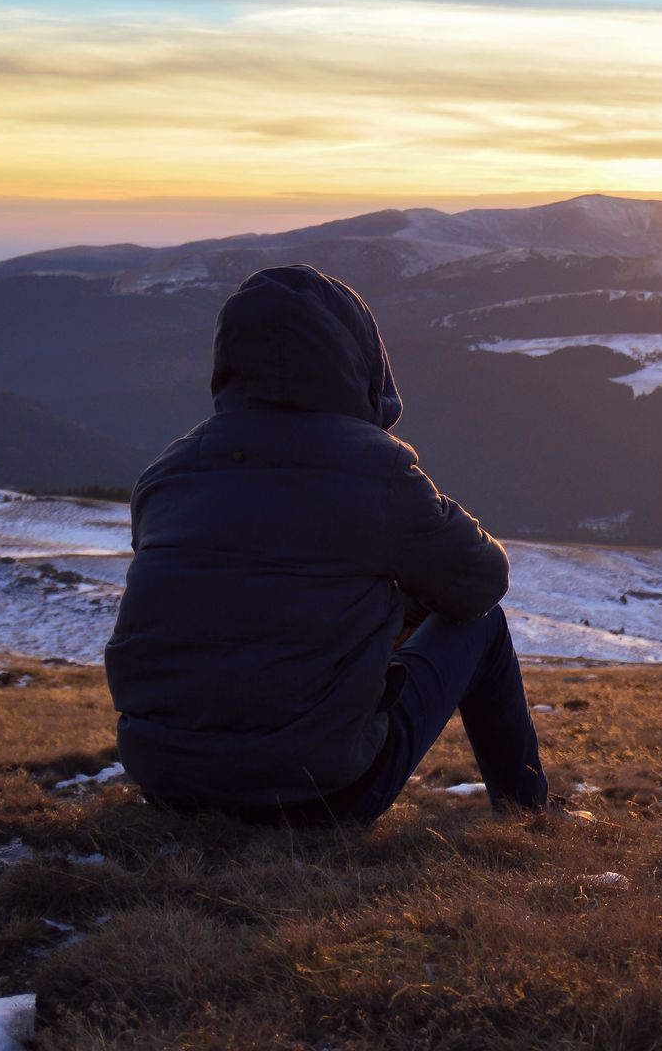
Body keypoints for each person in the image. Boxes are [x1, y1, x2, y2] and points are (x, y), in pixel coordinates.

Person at [104, 264, 547, 823]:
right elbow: (481, 580)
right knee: (480, 623)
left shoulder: (167, 473)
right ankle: (528, 813)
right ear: (360, 358)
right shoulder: (374, 470)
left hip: (167, 783)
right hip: (317, 795)